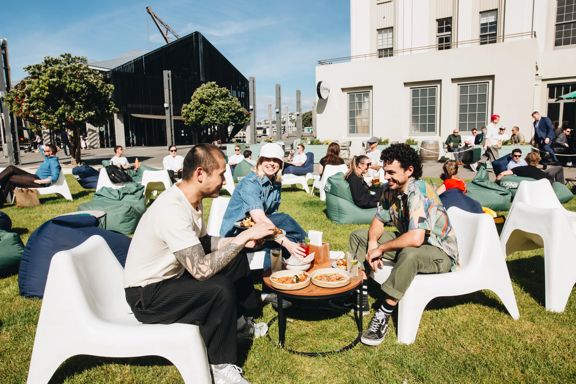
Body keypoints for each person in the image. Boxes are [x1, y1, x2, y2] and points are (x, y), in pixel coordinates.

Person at [124, 144, 274, 384]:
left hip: (172, 278)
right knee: (218, 289)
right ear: (200, 174)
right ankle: (220, 366)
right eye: (221, 174)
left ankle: (238, 324)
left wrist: (237, 242)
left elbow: (203, 242)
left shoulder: (192, 198)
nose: (225, 180)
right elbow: (201, 270)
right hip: (147, 295)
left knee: (234, 256)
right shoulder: (171, 209)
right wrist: (243, 237)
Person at [349, 144, 458, 346]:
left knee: (410, 253)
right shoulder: (390, 189)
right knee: (359, 236)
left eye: (391, 172)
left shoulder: (419, 190)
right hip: (411, 241)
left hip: (438, 252)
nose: (386, 177)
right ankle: (360, 289)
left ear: (409, 170)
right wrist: (373, 243)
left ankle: (384, 312)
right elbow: (378, 221)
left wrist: (381, 249)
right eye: (384, 171)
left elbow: (416, 238)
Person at [220, 142, 307, 267]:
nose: (271, 163)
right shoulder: (250, 183)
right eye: (267, 159)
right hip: (236, 234)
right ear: (260, 161)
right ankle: (307, 249)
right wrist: (287, 243)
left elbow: (270, 214)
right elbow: (261, 219)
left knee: (288, 234)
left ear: (281, 164)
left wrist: (282, 238)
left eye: (275, 160)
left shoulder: (275, 182)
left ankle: (286, 259)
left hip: (257, 229)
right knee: (285, 221)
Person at [496, 151, 565, 184]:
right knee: (559, 168)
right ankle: (562, 186)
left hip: (528, 183)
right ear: (538, 161)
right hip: (542, 183)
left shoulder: (519, 169)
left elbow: (502, 174)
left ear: (526, 160)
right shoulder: (542, 174)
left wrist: (496, 183)